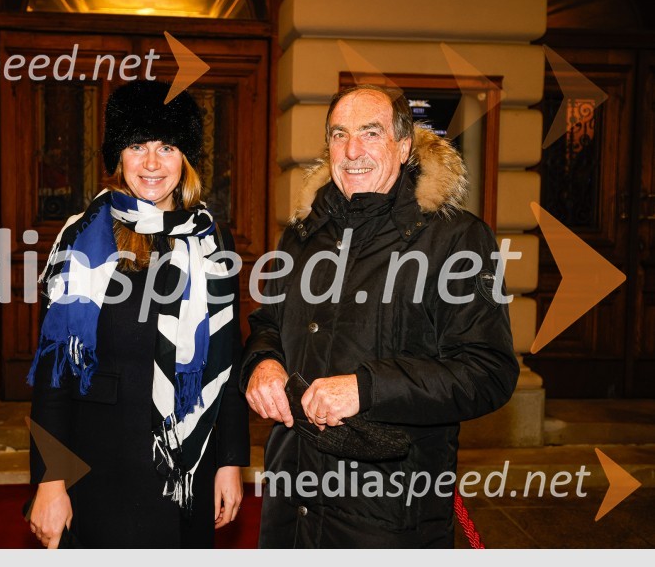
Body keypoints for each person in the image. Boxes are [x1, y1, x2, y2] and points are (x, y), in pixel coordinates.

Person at [242, 85, 519, 548]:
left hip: (389, 514)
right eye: (339, 134)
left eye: (371, 133)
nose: (352, 151)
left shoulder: (457, 240)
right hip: (293, 501)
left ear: (404, 146)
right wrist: (263, 363)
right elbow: (267, 324)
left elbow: (488, 371)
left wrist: (367, 388)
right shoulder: (301, 235)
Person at [27, 80, 249, 549]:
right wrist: (50, 479)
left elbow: (227, 359)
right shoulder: (82, 236)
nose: (151, 163)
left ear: (185, 159)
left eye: (166, 147)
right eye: (136, 146)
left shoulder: (212, 239)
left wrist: (230, 461)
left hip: (187, 464)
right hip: (101, 462)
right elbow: (54, 370)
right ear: (118, 157)